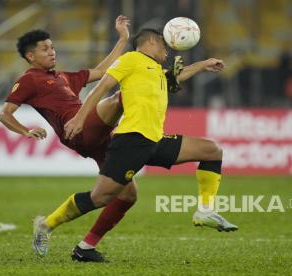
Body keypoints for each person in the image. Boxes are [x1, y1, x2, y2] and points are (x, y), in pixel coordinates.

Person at [38, 28, 238, 262]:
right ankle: (46, 225)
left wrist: (204, 64)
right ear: (151, 42)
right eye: (164, 45)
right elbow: (101, 88)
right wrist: (80, 118)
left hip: (154, 140)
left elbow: (175, 76)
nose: (167, 50)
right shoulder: (131, 59)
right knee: (100, 197)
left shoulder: (155, 70)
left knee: (212, 150)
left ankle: (205, 211)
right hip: (130, 141)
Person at [0, 15, 141, 260]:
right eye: (45, 49)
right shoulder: (29, 79)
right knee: (119, 97)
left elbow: (104, 71)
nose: (52, 52)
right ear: (31, 56)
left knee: (128, 195)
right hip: (79, 131)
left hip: (99, 136)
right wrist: (25, 130)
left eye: (52, 47)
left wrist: (123, 39)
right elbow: (4, 114)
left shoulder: (63, 77)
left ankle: (71, 239)